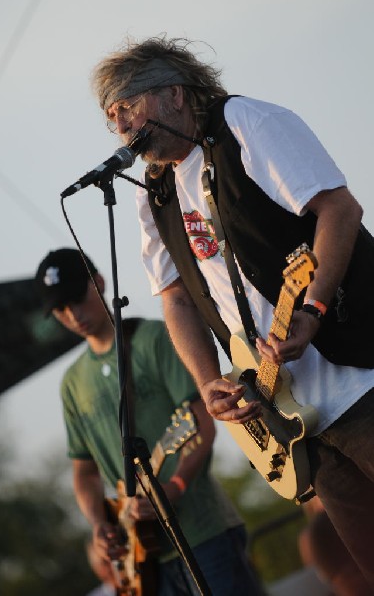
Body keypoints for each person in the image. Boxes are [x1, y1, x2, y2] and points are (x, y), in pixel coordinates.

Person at [89, 35, 374, 590]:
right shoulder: (155, 190)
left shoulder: (245, 123)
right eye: (111, 118)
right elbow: (173, 297)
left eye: (128, 107)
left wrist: (312, 307)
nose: (122, 126)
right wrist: (206, 381)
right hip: (297, 421)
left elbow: (338, 209)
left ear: (174, 92)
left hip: (362, 371)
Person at [34, 247, 263, 596]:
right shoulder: (72, 384)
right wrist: (99, 524)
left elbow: (201, 421)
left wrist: (175, 488)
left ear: (98, 282)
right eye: (60, 310)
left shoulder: (154, 339)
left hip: (204, 532)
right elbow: (84, 471)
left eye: (75, 299)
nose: (72, 314)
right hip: (141, 559)